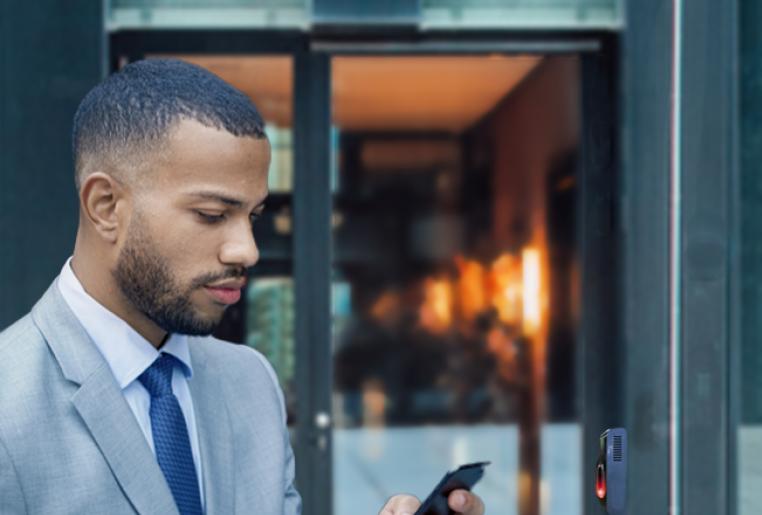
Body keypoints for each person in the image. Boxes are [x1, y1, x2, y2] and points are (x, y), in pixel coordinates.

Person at [0, 59, 484, 515]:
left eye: (252, 216)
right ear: (106, 206)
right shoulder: (9, 404)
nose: (247, 250)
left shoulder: (250, 381)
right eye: (213, 215)